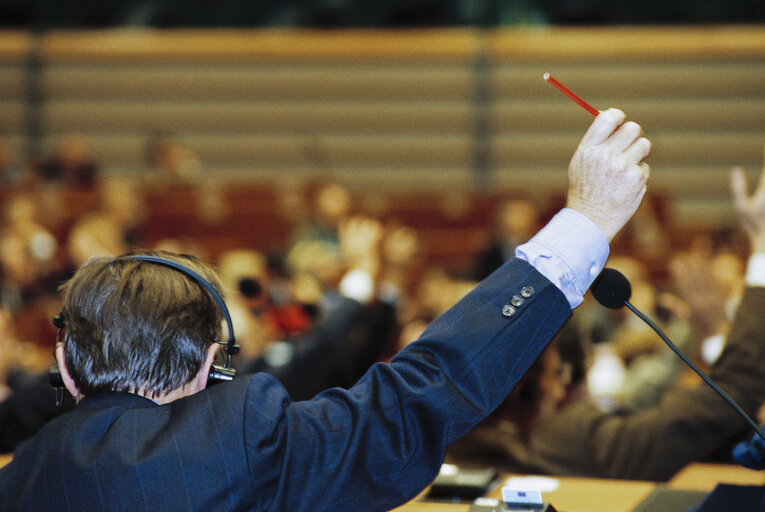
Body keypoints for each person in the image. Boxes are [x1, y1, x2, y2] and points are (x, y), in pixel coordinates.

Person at [0, 108, 650, 511]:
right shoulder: (242, 437)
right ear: (208, 366)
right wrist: (586, 222)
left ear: (66, 363)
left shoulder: (20, 476)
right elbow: (421, 391)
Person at [446, 144, 765, 482]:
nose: (560, 388)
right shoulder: (567, 440)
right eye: (556, 374)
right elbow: (704, 418)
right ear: (530, 388)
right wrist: (759, 248)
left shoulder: (452, 438)